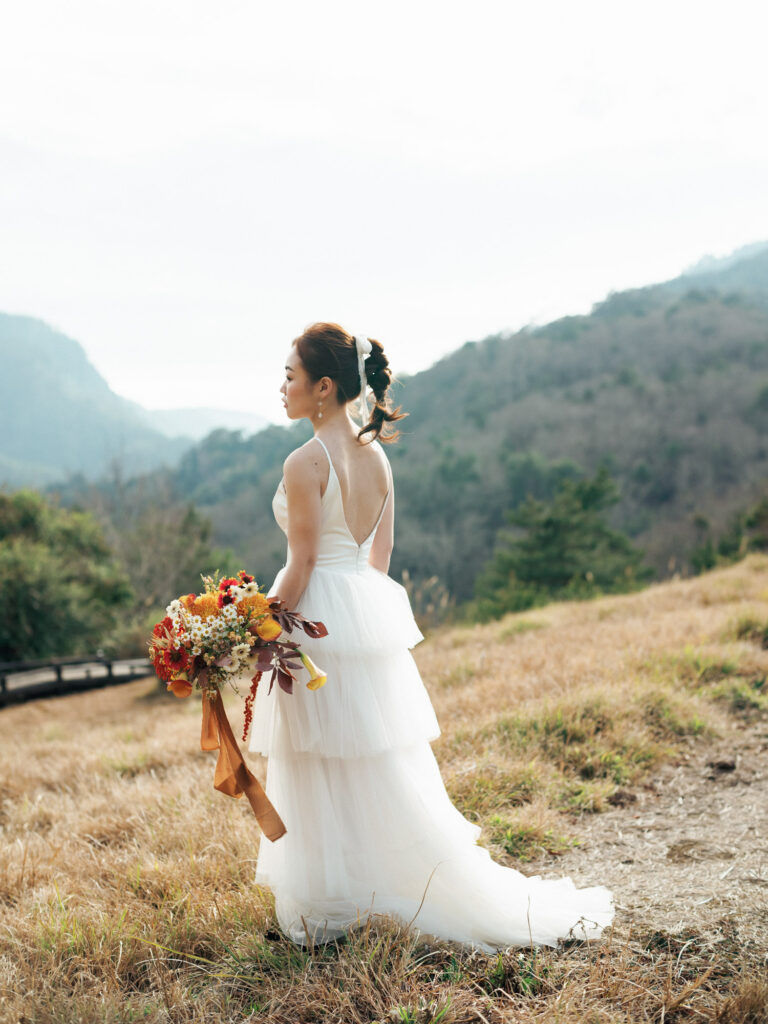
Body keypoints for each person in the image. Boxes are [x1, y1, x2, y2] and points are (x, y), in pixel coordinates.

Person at [248, 322, 614, 950]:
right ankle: (377, 884)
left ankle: (332, 903)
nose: (281, 386)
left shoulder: (305, 461)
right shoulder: (377, 456)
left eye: (290, 376)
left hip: (314, 619)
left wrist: (255, 626)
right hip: (362, 614)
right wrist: (357, 628)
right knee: (371, 759)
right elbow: (378, 559)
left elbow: (302, 564)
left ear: (324, 387)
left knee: (318, 761)